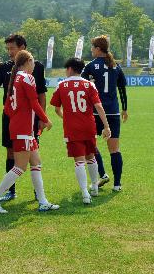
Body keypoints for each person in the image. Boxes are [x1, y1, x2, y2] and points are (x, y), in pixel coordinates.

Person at [0, 50, 59, 214]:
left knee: (36, 163)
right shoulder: (27, 77)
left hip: (20, 126)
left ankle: (42, 201)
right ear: (29, 61)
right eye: (33, 61)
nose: (34, 65)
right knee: (20, 167)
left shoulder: (15, 78)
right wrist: (45, 119)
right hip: (23, 128)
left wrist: (18, 118)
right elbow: (34, 102)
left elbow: (7, 108)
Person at [50, 58, 112, 204]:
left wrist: (66, 117)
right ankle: (95, 189)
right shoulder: (89, 85)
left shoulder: (61, 85)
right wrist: (106, 126)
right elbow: (98, 106)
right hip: (89, 126)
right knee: (91, 157)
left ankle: (85, 193)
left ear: (70, 69)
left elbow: (56, 109)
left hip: (72, 129)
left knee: (79, 161)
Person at [81, 36, 128, 192]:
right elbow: (122, 89)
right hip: (113, 112)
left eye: (93, 47)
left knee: (91, 146)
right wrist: (125, 109)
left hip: (95, 113)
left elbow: (81, 87)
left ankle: (102, 174)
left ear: (98, 49)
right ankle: (117, 184)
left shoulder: (90, 67)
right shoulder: (116, 66)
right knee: (114, 150)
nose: (91, 49)